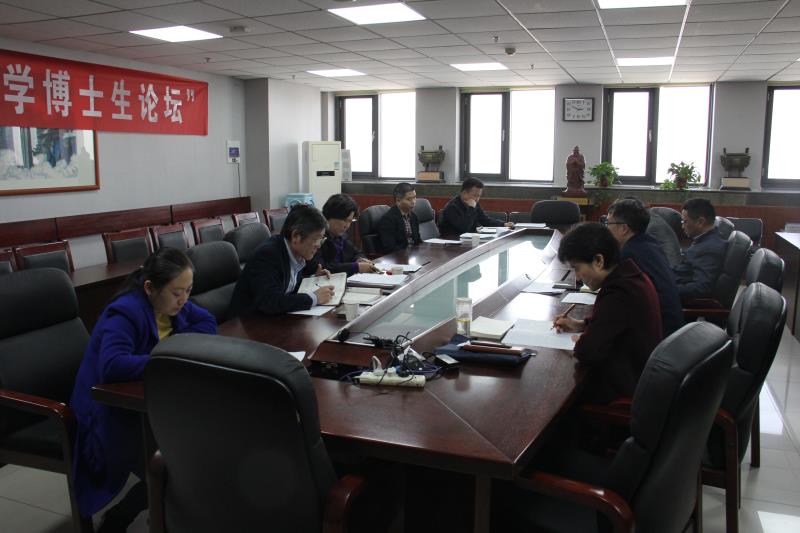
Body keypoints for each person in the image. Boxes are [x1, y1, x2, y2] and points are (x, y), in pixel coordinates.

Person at [70, 248, 217, 531]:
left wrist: (173, 346)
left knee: (196, 453)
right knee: (178, 467)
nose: (184, 299)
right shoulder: (125, 312)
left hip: (146, 400)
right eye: (177, 292)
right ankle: (126, 518)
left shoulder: (172, 304)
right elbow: (113, 365)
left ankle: (137, 512)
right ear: (149, 287)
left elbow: (208, 322)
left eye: (188, 290)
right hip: (107, 412)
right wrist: (168, 356)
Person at [553, 223, 662, 403]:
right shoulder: (630, 275)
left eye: (577, 268)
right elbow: (615, 322)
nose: (577, 277)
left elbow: (588, 352)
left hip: (624, 392)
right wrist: (581, 325)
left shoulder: (619, 292)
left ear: (598, 260)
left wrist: (583, 341)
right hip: (639, 375)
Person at [229, 205, 334, 315]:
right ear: (296, 236)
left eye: (321, 239)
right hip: (247, 321)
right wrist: (314, 298)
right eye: (316, 239)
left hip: (273, 318)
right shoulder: (268, 255)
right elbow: (270, 301)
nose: (319, 245)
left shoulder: (295, 253)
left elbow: (288, 287)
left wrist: (312, 281)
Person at [605, 198, 684, 337]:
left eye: (608, 223)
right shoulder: (649, 243)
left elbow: (618, 303)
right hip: (670, 331)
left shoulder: (629, 256)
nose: (606, 228)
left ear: (624, 228)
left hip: (656, 334)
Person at [672, 198, 727, 302]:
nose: (682, 226)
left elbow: (702, 288)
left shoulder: (710, 248)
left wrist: (666, 289)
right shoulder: (705, 241)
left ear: (700, 222)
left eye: (684, 222)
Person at [318, 193, 376, 275]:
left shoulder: (340, 237)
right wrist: (356, 267)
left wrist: (360, 259)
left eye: (350, 221)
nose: (347, 226)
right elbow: (323, 267)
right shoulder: (317, 238)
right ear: (330, 216)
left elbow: (356, 252)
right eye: (345, 220)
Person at [437, 177, 513, 237]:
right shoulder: (452, 207)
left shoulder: (474, 203)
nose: (477, 199)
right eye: (475, 195)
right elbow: (464, 227)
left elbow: (484, 220)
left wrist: (503, 224)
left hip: (468, 241)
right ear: (464, 193)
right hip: (452, 244)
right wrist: (471, 208)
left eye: (479, 196)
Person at [377, 182, 422, 254]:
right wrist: (408, 254)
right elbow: (390, 248)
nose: (413, 202)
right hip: (399, 257)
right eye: (409, 199)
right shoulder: (388, 220)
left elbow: (417, 241)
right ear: (398, 201)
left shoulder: (414, 216)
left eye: (414, 197)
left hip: (414, 255)